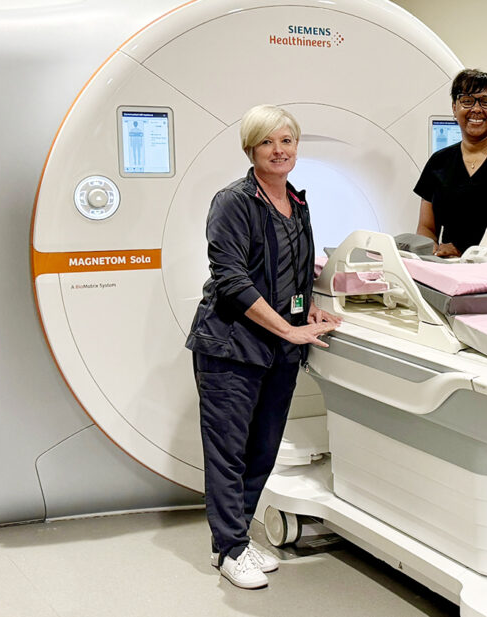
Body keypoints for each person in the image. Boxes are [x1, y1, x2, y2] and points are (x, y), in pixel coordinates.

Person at [186, 104, 341, 590]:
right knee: (228, 451)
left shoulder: (298, 202)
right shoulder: (233, 202)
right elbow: (230, 279)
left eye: (288, 141)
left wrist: (308, 309)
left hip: (278, 349)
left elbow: (297, 268)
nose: (280, 150)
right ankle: (228, 549)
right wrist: (289, 330)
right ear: (251, 149)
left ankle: (238, 537)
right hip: (231, 345)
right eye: (268, 142)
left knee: (264, 448)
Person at [414, 69, 487, 257]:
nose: (476, 109)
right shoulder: (438, 162)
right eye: (467, 100)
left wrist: (468, 258)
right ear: (454, 107)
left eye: (486, 102)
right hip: (449, 269)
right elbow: (426, 228)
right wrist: (434, 252)